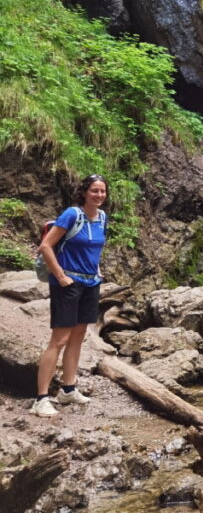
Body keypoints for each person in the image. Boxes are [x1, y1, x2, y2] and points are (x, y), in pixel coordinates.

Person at [31, 174, 108, 417]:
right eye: (94, 190)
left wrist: (97, 270)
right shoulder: (72, 215)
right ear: (85, 192)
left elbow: (94, 248)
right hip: (68, 283)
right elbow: (46, 246)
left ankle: (68, 389)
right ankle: (41, 399)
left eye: (102, 191)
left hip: (90, 283)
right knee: (60, 339)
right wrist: (61, 276)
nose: (99, 195)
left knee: (78, 336)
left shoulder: (102, 217)